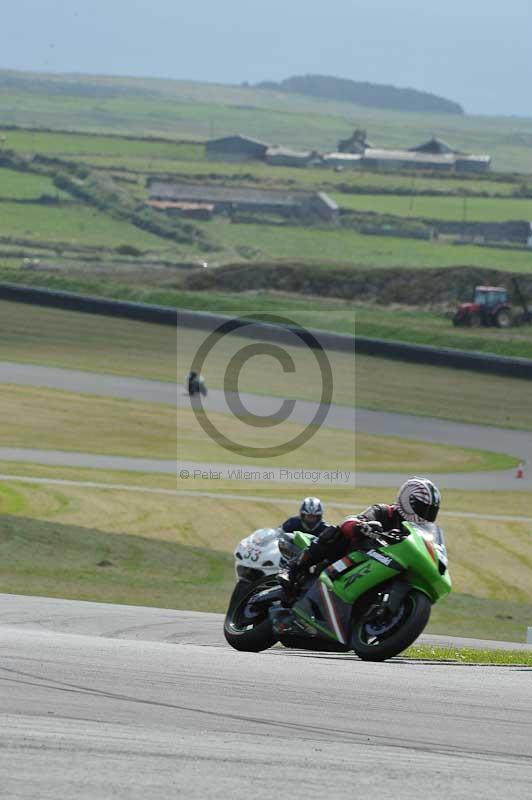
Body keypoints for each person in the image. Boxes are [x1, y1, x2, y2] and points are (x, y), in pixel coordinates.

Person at [281, 477, 441, 596]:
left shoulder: (417, 533)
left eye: (431, 512)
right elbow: (351, 522)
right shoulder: (384, 511)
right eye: (423, 509)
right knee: (335, 533)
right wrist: (362, 526)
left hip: (381, 567)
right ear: (408, 501)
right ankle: (293, 568)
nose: (426, 515)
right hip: (351, 555)